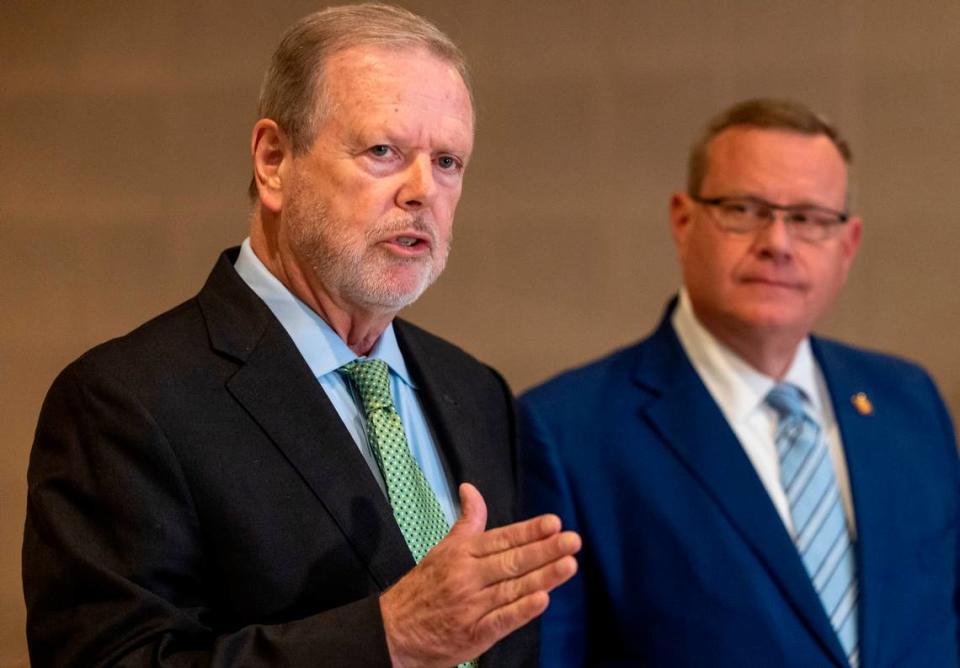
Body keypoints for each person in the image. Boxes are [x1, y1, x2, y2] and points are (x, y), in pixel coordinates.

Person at [23, 4, 580, 667]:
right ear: (274, 160)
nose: (422, 191)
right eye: (384, 151)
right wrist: (387, 639)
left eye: (449, 161)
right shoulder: (125, 402)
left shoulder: (477, 394)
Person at [520, 98, 959, 667]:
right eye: (744, 209)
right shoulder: (566, 432)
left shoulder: (909, 401)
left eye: (808, 218)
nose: (777, 242)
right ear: (683, 221)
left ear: (846, 246)